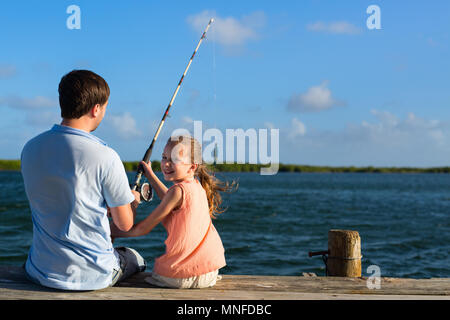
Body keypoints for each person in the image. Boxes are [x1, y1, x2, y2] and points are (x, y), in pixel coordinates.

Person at [21, 70, 146, 290]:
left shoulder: (30, 149)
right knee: (137, 259)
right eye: (105, 107)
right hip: (94, 277)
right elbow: (124, 225)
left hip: (40, 270)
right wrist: (132, 201)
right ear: (95, 108)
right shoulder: (106, 156)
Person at [111, 135, 236, 288]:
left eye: (175, 159)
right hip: (209, 272)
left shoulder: (177, 192)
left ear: (192, 166)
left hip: (182, 277)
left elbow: (142, 230)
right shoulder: (196, 186)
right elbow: (169, 198)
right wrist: (150, 174)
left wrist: (112, 230)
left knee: (135, 260)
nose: (166, 164)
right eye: (164, 157)